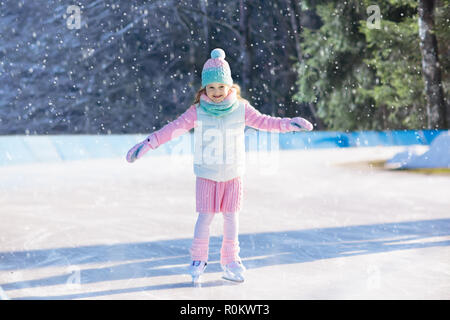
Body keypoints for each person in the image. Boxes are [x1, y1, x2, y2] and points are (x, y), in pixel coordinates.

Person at [126, 48, 313, 283]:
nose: (216, 92)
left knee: (231, 218)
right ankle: (198, 259)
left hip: (233, 175)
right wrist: (148, 143)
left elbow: (266, 122)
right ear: (204, 89)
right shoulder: (197, 112)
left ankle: (231, 260)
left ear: (230, 87)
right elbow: (172, 130)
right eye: (211, 88)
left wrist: (289, 124)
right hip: (206, 175)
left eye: (220, 87)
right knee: (205, 218)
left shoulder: (241, 109)